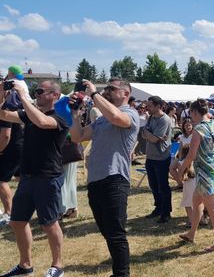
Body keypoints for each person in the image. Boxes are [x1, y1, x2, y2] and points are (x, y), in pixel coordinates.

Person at [69, 78, 139, 277]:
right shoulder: (101, 118)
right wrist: (74, 113)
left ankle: (121, 274)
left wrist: (94, 94)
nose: (107, 91)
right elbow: (78, 136)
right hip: (96, 180)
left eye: (111, 88)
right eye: (105, 88)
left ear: (126, 93)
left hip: (115, 178)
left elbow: (117, 117)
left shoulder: (129, 113)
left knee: (116, 233)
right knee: (106, 231)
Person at [0, 80, 68, 277]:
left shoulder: (59, 117)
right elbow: (3, 115)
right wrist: (3, 94)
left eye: (41, 91)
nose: (37, 94)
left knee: (49, 223)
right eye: (35, 91)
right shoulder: (29, 115)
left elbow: (42, 122)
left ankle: (57, 266)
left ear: (55, 95)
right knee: (17, 221)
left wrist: (23, 96)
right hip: (28, 177)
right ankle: (25, 265)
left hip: (47, 177)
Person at [178, 99, 214, 253]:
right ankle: (191, 234)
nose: (190, 117)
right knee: (196, 202)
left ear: (196, 112)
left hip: (205, 173)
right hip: (212, 170)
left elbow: (191, 155)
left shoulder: (199, 129)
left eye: (191, 113)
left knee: (212, 207)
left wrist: (180, 170)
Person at [142, 96, 173, 223]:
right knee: (153, 185)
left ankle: (166, 212)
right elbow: (145, 134)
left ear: (158, 106)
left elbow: (154, 138)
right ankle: (158, 208)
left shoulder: (164, 120)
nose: (147, 108)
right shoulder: (151, 118)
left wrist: (149, 134)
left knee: (163, 186)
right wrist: (150, 135)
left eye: (150, 105)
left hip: (161, 157)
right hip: (150, 157)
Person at [0, 100, 23, 226]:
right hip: (18, 146)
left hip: (10, 148)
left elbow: (5, 135)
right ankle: (24, 209)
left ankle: (10, 213)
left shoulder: (4, 108)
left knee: (1, 180)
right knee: (22, 179)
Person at [169, 145, 196, 228]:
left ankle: (191, 221)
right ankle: (201, 219)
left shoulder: (182, 162)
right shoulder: (196, 161)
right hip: (197, 184)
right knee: (197, 203)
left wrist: (178, 180)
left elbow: (181, 178)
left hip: (188, 185)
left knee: (188, 204)